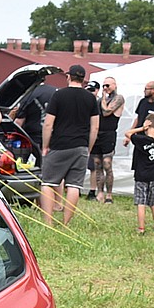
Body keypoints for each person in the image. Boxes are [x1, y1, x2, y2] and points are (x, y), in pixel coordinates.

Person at [40, 64, 99, 227]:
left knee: (48, 183)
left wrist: (45, 145)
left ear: (68, 77)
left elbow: (48, 124)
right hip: (81, 145)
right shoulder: (91, 98)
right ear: (83, 79)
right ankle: (66, 223)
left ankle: (48, 222)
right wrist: (88, 148)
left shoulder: (58, 95)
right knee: (74, 185)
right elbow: (95, 127)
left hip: (59, 144)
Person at [125, 113, 154, 234]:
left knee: (141, 202)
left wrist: (141, 128)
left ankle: (141, 228)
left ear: (147, 125)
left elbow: (128, 133)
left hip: (141, 175)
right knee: (153, 202)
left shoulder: (141, 140)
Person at [89, 77, 124, 203]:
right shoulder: (99, 100)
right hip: (98, 133)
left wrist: (103, 97)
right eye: (103, 86)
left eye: (108, 85)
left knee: (107, 164)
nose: (105, 88)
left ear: (114, 85)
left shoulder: (118, 98)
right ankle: (100, 193)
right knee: (97, 164)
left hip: (109, 134)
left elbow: (106, 111)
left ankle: (109, 194)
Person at [124, 80, 154, 146]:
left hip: (150, 139)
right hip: (139, 136)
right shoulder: (143, 102)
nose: (144, 91)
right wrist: (130, 134)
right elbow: (138, 118)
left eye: (146, 89)